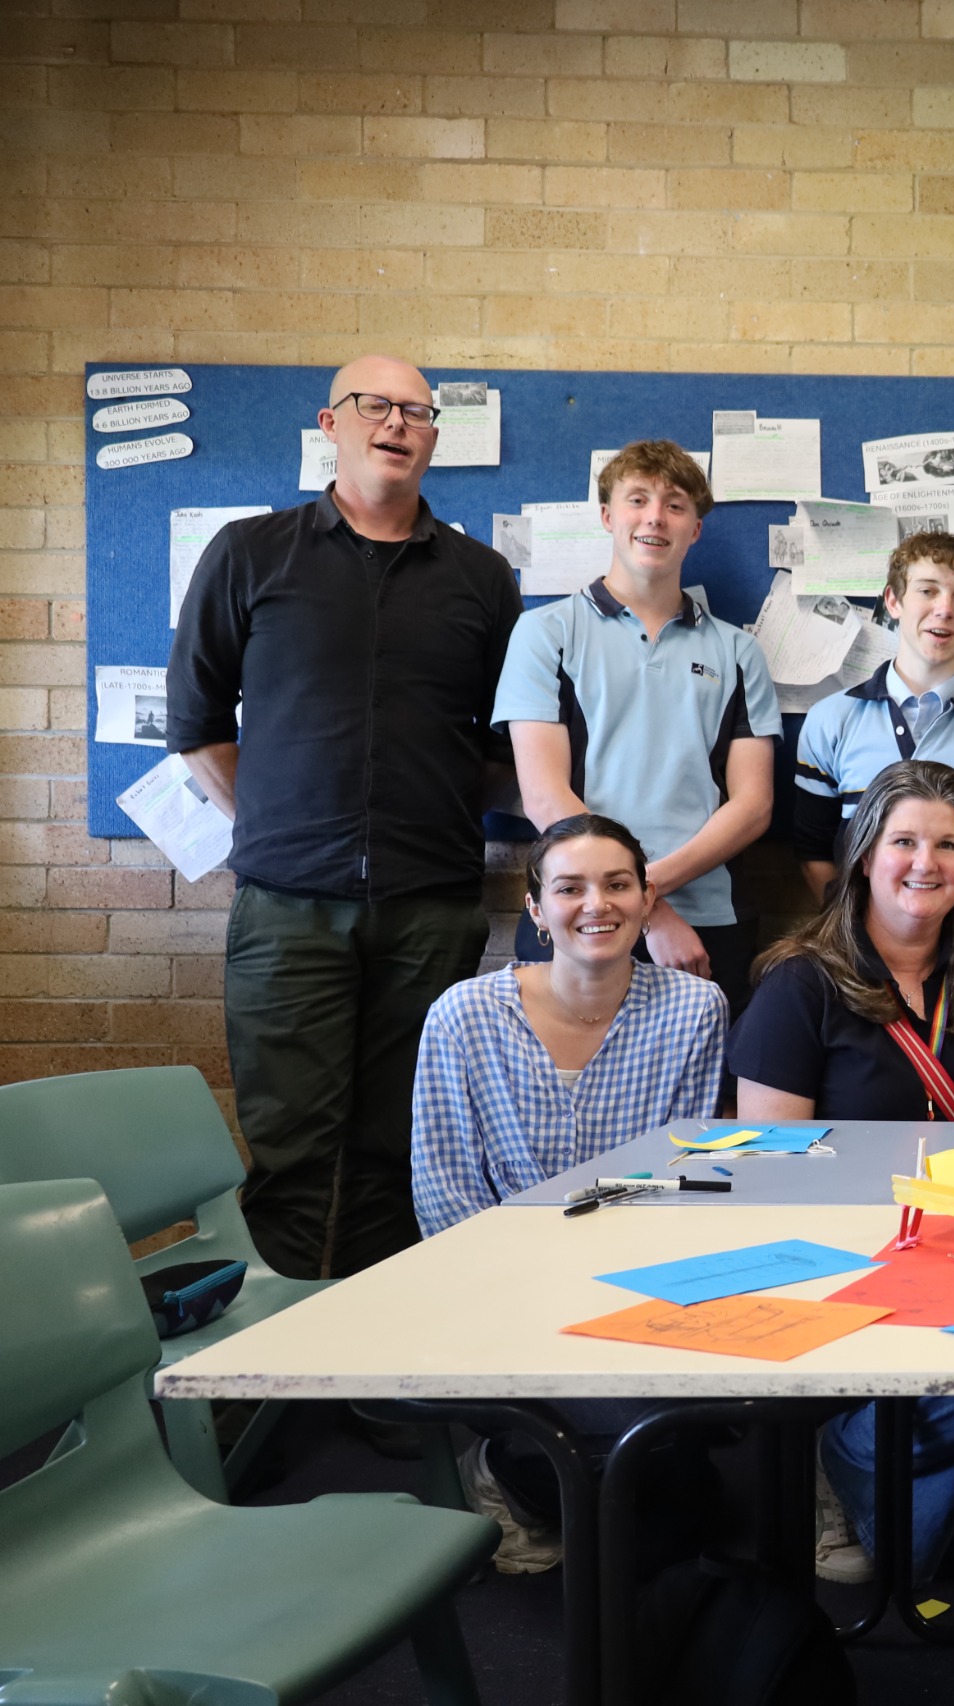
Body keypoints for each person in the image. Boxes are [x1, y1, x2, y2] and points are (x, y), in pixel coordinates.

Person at [166, 354, 521, 1283]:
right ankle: (268, 1402)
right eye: (377, 405)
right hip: (287, 911)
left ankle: (377, 1384)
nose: (398, 423)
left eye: (417, 411)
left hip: (432, 907)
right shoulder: (250, 552)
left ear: (435, 437)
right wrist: (282, 825)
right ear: (331, 423)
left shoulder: (483, 580)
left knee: (402, 1150)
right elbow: (197, 725)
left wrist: (422, 810)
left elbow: (502, 744)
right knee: (289, 1157)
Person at [731, 760, 954, 1586]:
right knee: (936, 1538)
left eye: (948, 843)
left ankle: (884, 1465)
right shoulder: (798, 984)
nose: (926, 862)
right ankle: (837, 1438)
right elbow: (769, 1176)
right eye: (904, 840)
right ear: (864, 854)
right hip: (852, 1281)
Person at [408, 813, 728, 1575]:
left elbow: (682, 1184)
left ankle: (551, 1470)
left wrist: (597, 1261)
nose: (598, 904)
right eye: (570, 887)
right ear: (535, 909)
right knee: (637, 1486)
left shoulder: (695, 1010)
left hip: (639, 1291)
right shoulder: (463, 1016)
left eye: (619, 884)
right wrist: (536, 1275)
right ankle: (504, 1468)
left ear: (648, 899)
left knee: (668, 1497)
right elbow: (446, 1197)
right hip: (498, 1291)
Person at [496, 440, 779, 1018]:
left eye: (675, 505)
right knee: (559, 1097)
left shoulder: (738, 650)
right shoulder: (544, 632)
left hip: (708, 922)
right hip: (573, 912)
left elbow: (753, 805)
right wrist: (647, 908)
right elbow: (546, 796)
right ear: (607, 516)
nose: (655, 517)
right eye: (638, 499)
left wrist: (644, 894)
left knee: (703, 1104)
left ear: (695, 529)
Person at [792, 532, 954, 923]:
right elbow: (814, 853)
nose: (944, 609)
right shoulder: (830, 722)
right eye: (927, 591)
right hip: (855, 959)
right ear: (892, 601)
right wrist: (853, 940)